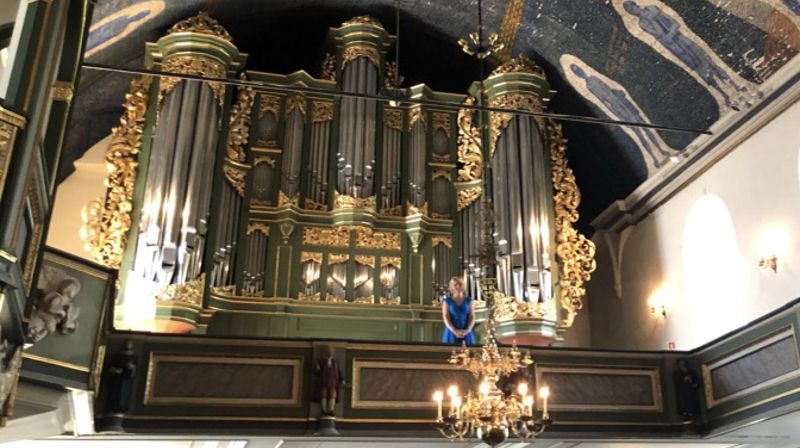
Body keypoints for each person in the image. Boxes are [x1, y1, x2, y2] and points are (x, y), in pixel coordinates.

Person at [441, 276, 475, 345]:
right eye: (455, 285)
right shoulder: (447, 301)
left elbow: (472, 317)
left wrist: (468, 330)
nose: (458, 286)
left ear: (463, 286)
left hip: (466, 331)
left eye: (460, 284)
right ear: (452, 287)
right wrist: (454, 331)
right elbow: (446, 317)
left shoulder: (469, 301)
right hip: (451, 332)